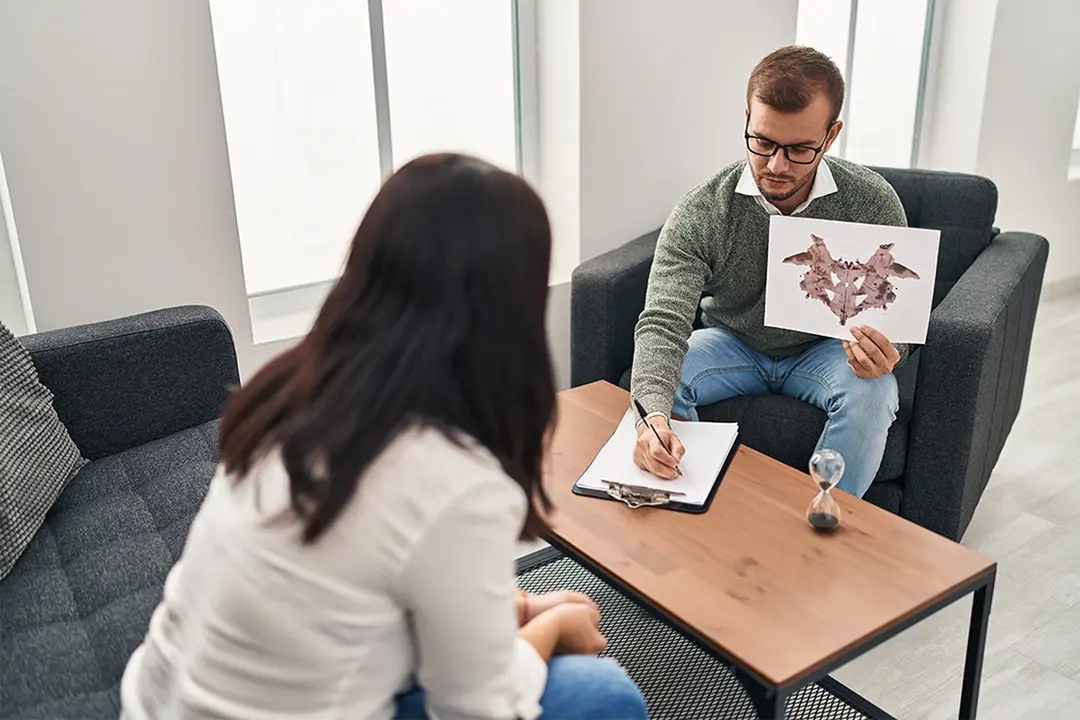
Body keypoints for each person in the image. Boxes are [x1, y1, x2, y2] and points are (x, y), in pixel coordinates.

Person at [119, 153, 648, 720]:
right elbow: (479, 711)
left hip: (157, 702)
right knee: (604, 695)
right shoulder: (456, 481)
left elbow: (363, 570)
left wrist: (514, 609)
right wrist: (552, 629)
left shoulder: (294, 392)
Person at [631, 45, 908, 497]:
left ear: (831, 134)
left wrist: (890, 349)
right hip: (730, 342)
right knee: (655, 383)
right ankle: (685, 502)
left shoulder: (873, 201)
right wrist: (653, 419)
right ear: (746, 119)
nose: (776, 166)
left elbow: (900, 318)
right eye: (762, 142)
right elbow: (662, 322)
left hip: (827, 350)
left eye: (799, 149)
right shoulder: (704, 209)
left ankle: (824, 523)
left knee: (876, 392)